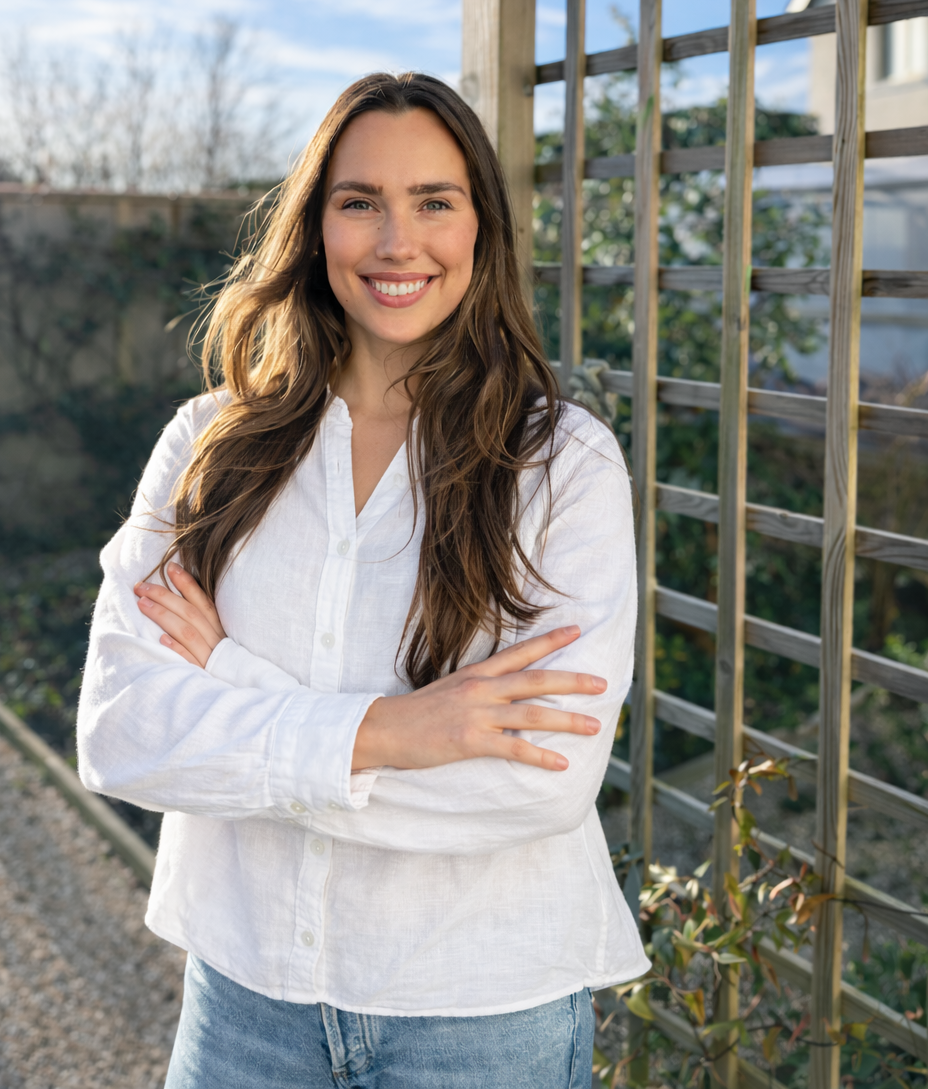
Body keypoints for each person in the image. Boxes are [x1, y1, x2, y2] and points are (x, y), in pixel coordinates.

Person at [77, 72, 646, 1089]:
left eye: (434, 200)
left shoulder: (563, 465)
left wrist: (232, 682)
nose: (397, 242)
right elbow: (122, 734)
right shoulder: (208, 444)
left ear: (481, 226)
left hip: (479, 1014)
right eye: (359, 203)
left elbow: (533, 784)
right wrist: (396, 733)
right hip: (245, 998)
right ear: (314, 226)